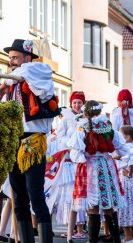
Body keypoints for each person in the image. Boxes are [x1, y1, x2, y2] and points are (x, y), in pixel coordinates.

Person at [0, 39, 60, 243]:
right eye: (10, 58)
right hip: (14, 141)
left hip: (32, 141)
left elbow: (29, 72)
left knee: (35, 194)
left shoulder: (38, 72)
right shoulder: (13, 81)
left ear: (27, 57)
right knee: (18, 197)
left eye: (15, 57)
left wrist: (7, 82)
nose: (12, 62)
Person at [67, 100, 130, 243]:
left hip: (90, 168)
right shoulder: (108, 127)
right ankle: (116, 240)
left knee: (92, 208)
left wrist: (83, 158)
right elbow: (123, 148)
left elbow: (75, 152)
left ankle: (92, 241)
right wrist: (116, 157)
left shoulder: (82, 128)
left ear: (85, 112)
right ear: (100, 112)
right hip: (107, 167)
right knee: (108, 207)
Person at [53, 91, 87, 242]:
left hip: (80, 158)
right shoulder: (66, 118)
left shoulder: (86, 118)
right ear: (71, 104)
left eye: (79, 102)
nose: (77, 105)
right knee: (68, 194)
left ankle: (80, 228)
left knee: (79, 193)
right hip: (69, 157)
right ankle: (70, 228)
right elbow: (60, 135)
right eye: (74, 102)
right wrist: (71, 143)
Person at [117, 126, 133, 243]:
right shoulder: (132, 147)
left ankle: (128, 237)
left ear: (127, 137)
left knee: (125, 208)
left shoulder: (127, 147)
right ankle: (130, 236)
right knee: (132, 207)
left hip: (127, 180)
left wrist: (129, 173)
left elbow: (132, 160)